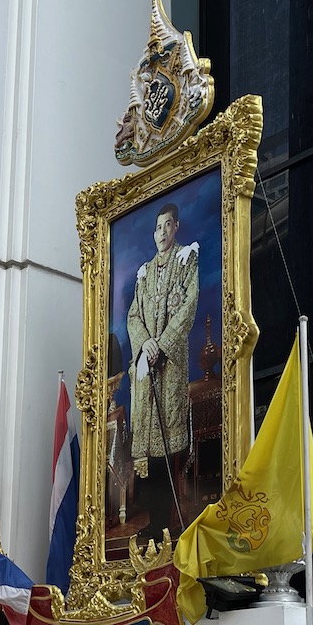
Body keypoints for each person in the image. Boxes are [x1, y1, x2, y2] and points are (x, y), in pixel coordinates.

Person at [126, 201, 199, 539]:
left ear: (176, 227)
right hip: (148, 364)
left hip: (170, 368)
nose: (162, 232)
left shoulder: (187, 260)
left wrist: (163, 344)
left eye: (167, 225)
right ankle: (155, 525)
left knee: (170, 447)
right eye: (157, 227)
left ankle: (172, 523)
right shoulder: (144, 272)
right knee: (151, 455)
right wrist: (145, 344)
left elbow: (188, 306)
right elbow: (133, 317)